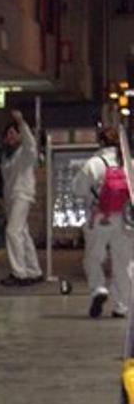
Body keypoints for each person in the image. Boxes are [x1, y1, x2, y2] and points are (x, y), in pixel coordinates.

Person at [72, 126, 132, 318]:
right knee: (123, 262)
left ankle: (98, 288)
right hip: (124, 219)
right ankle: (122, 305)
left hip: (99, 217)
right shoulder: (129, 163)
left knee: (93, 257)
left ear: (101, 142)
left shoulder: (93, 163)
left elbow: (78, 189)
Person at [0, 109, 43, 286]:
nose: (9, 137)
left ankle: (19, 273)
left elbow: (30, 143)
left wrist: (21, 122)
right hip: (12, 197)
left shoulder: (25, 153)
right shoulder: (6, 156)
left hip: (22, 195)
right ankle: (34, 270)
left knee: (12, 232)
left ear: (19, 135)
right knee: (22, 233)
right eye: (7, 134)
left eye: (12, 133)